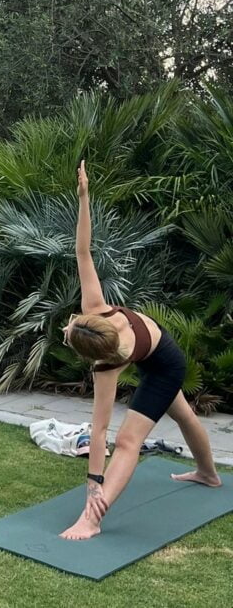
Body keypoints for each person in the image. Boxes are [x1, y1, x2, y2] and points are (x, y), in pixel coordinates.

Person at [59, 160, 222, 540]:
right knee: (182, 414)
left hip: (166, 364)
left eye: (66, 330)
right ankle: (209, 474)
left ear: (91, 356)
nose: (67, 325)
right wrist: (84, 199)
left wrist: (94, 487)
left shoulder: (105, 365)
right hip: (159, 353)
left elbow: (100, 431)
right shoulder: (98, 309)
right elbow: (83, 251)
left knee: (129, 441)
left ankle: (93, 522)